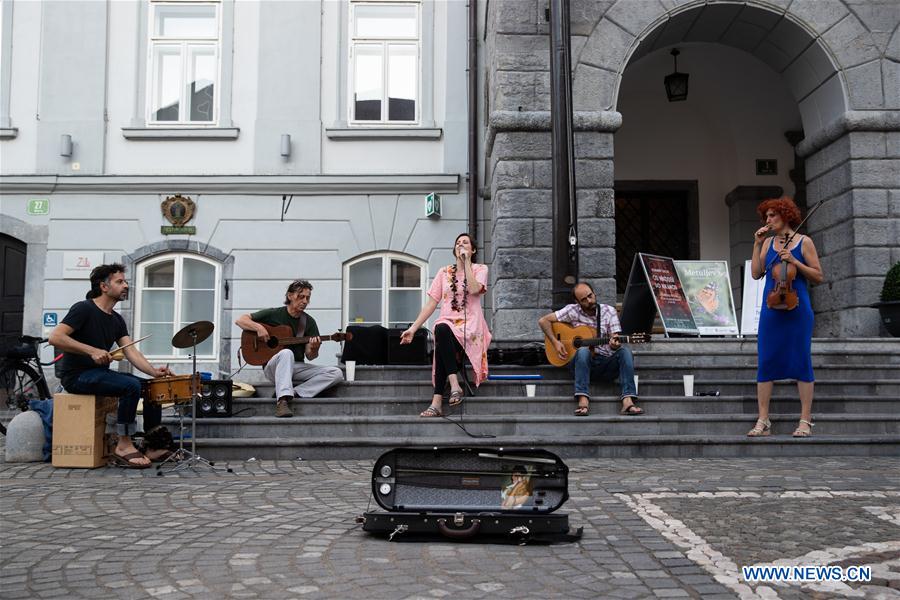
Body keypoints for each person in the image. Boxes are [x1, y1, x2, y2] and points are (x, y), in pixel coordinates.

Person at [49, 264, 174, 469]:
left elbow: (130, 351)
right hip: (76, 377)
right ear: (104, 286)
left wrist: (154, 372)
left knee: (153, 388)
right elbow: (55, 337)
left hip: (99, 373)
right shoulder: (83, 308)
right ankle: (124, 445)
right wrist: (91, 350)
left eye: (125, 281)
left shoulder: (116, 319)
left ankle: (153, 446)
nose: (126, 285)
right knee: (130, 387)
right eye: (120, 282)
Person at [748, 196, 823, 437]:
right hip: (771, 309)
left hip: (798, 309)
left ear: (786, 215)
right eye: (766, 217)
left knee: (801, 361)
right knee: (766, 360)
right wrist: (757, 244)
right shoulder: (768, 243)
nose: (768, 220)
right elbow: (756, 274)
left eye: (772, 215)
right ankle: (763, 420)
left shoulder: (804, 242)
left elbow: (818, 276)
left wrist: (794, 262)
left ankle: (805, 420)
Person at [400, 233, 491, 417]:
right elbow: (431, 303)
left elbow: (474, 289)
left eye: (465, 243)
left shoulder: (480, 268)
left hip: (470, 328)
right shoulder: (444, 272)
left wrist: (466, 264)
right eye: (458, 243)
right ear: (454, 250)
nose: (461, 245)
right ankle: (455, 384)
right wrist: (413, 328)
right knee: (440, 327)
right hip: (447, 325)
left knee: (441, 342)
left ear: (472, 250)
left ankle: (437, 402)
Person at [235, 280, 343, 418]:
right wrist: (259, 328)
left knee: (336, 373)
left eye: (307, 298)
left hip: (296, 368)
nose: (304, 301)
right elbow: (240, 320)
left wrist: (314, 348)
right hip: (272, 367)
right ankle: (282, 402)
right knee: (286, 352)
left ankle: (295, 392)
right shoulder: (273, 314)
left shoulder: (308, 322)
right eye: (301, 296)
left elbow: (310, 356)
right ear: (290, 296)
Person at [538, 282, 643, 417]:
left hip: (605, 365)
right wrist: (556, 342)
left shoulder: (608, 311)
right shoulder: (572, 311)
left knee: (625, 351)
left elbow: (614, 339)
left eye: (590, 296)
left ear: (594, 293)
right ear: (577, 302)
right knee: (583, 350)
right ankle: (583, 399)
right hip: (580, 365)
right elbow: (543, 321)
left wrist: (614, 344)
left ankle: (628, 400)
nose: (589, 301)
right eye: (584, 299)